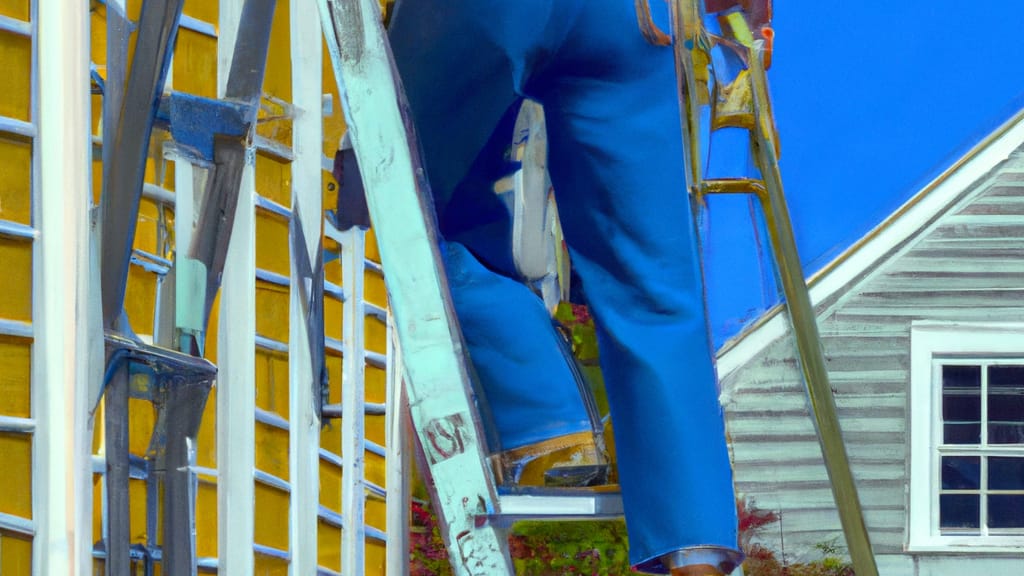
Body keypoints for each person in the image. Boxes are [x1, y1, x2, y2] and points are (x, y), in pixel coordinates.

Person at [384, 1, 746, 573]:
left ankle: (545, 414)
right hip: (635, 16)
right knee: (651, 285)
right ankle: (695, 558)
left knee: (400, 204)